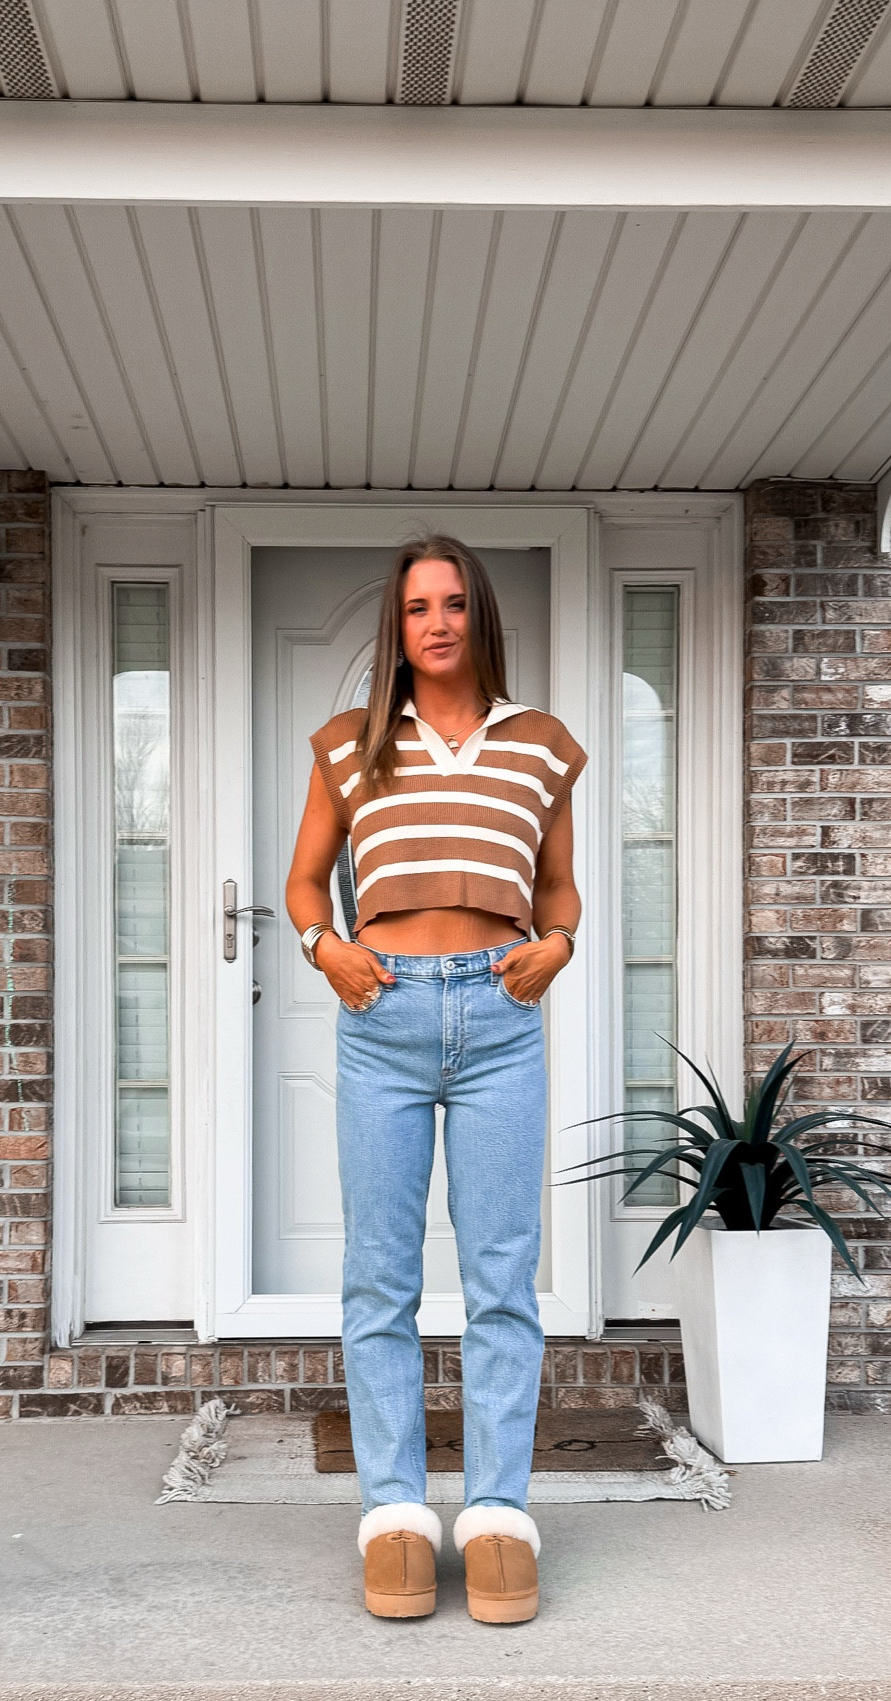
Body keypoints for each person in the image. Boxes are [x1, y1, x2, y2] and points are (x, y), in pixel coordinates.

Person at [284, 534, 585, 1624]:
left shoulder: (540, 746)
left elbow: (561, 891)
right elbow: (304, 883)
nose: (438, 622)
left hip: (502, 1016)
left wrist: (556, 946)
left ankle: (499, 1514)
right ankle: (398, 1517)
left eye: (455, 603)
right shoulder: (350, 748)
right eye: (418, 607)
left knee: (504, 1275)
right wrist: (330, 951)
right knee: (381, 1278)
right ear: (396, 627)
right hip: (384, 1014)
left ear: (480, 617)